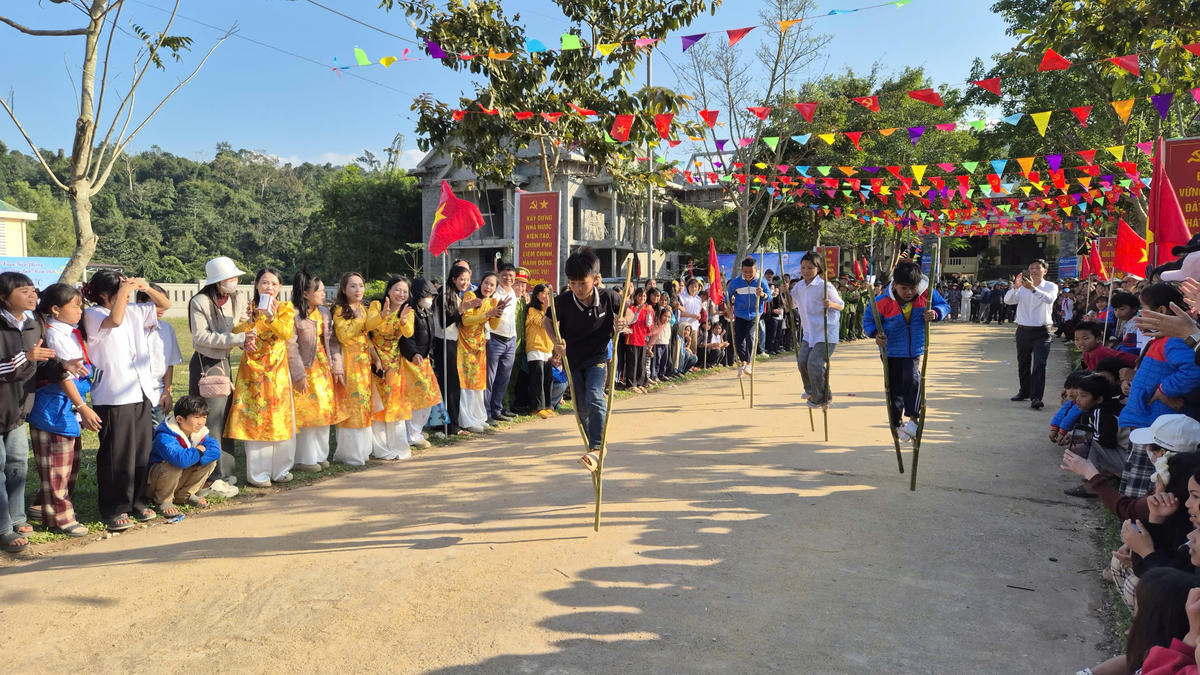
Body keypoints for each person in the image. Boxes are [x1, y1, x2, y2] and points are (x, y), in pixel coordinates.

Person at [83, 271, 171, 532]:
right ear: (103, 294)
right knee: (117, 454)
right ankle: (115, 508)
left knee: (141, 451)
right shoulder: (93, 314)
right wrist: (124, 292)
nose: (128, 295)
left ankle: (137, 501)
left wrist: (146, 288)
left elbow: (164, 305)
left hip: (141, 390)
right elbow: (115, 319)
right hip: (113, 394)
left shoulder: (134, 310)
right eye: (120, 291)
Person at [544, 247, 627, 471]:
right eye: (573, 283)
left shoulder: (609, 297)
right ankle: (594, 445)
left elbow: (627, 311)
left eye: (583, 283)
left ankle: (598, 447)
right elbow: (547, 321)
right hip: (572, 359)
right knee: (580, 406)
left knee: (594, 394)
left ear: (596, 279)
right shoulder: (562, 301)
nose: (578, 288)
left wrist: (623, 321)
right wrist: (555, 341)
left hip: (597, 357)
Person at [28, 283, 97, 538]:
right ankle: (62, 517)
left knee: (68, 467)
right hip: (52, 410)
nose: (80, 311)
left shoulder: (69, 331)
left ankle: (48, 512)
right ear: (56, 309)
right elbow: (64, 377)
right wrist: (82, 407)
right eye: (75, 306)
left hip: (65, 409)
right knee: (57, 469)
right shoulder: (54, 335)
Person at [226, 268, 296, 487]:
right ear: (256, 285)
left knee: (279, 417)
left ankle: (281, 470)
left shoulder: (285, 308)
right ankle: (258, 474)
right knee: (255, 419)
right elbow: (236, 331)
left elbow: (286, 333)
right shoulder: (249, 308)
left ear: (280, 287)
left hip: (277, 372)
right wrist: (250, 320)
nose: (269, 287)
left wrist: (272, 317)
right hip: (252, 372)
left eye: (274, 284)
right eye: (265, 283)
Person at [863, 262, 949, 441]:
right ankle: (896, 423)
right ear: (894, 285)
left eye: (912, 288)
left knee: (912, 380)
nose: (909, 292)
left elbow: (944, 305)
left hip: (913, 349)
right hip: (890, 350)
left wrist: (936, 312)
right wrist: (875, 334)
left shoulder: (927, 294)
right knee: (894, 387)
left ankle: (913, 420)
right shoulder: (881, 301)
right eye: (904, 288)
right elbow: (868, 321)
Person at [187, 256, 248, 488]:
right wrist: (238, 339)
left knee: (225, 419)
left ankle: (228, 472)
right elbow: (201, 336)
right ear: (217, 281)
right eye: (230, 278)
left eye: (235, 277)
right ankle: (213, 475)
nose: (234, 281)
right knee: (210, 421)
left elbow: (242, 323)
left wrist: (249, 333)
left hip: (224, 363)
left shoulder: (237, 297)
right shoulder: (200, 302)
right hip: (206, 365)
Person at [287, 269, 345, 472]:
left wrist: (337, 365)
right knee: (307, 415)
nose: (323, 294)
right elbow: (290, 346)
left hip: (324, 369)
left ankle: (320, 455)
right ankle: (305, 458)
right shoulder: (293, 314)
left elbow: (333, 342)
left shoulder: (324, 313)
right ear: (305, 293)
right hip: (306, 370)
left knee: (323, 412)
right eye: (319, 290)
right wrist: (298, 373)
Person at [333, 272, 384, 464]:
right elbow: (344, 335)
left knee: (364, 404)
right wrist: (361, 320)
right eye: (353, 286)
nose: (358, 289)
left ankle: (364, 450)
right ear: (344, 289)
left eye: (361, 285)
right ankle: (349, 453)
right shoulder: (340, 310)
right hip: (348, 361)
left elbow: (366, 337)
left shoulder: (363, 309)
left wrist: (375, 357)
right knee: (351, 404)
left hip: (363, 363)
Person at [146, 395, 221, 517]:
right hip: (155, 483)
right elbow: (180, 460)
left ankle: (184, 495)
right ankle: (163, 501)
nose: (201, 422)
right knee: (172, 466)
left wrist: (194, 458)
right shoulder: (165, 435)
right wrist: (198, 452)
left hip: (178, 477)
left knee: (210, 462)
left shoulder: (199, 432)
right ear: (180, 419)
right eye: (196, 417)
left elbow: (215, 451)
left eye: (204, 417)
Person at [369, 276, 415, 460]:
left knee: (394, 404)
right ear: (388, 290)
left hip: (394, 363)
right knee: (378, 404)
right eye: (397, 289)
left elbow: (408, 332)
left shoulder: (407, 311)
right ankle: (380, 448)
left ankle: (398, 446)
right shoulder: (376, 305)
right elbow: (368, 326)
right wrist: (382, 315)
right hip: (375, 359)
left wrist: (403, 321)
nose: (400, 294)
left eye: (404, 291)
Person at [790, 251, 844, 408]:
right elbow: (791, 305)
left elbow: (841, 305)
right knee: (802, 362)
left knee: (814, 363)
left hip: (826, 332)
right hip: (809, 333)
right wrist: (785, 293)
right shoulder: (799, 286)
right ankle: (812, 390)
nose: (806, 271)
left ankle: (820, 397)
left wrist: (830, 304)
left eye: (810, 268)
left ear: (818, 269)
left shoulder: (824, 286)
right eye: (803, 267)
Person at [1005, 260, 1059, 410]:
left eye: (1037, 268)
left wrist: (1033, 289)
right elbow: (1008, 300)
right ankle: (1024, 391)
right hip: (1023, 330)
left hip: (1041, 331)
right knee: (1023, 362)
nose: (1034, 271)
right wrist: (1015, 287)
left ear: (1044, 271)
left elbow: (1049, 299)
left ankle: (1036, 397)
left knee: (1039, 364)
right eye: (1031, 268)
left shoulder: (1051, 286)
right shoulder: (1022, 287)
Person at [398, 279, 440, 449]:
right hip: (411, 362)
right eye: (428, 295)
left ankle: (417, 430)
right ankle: (412, 435)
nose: (430, 299)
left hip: (425, 361)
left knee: (429, 398)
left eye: (432, 296)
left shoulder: (426, 311)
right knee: (416, 400)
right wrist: (413, 353)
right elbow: (406, 338)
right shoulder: (410, 312)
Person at [433, 265, 475, 436]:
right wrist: (461, 309)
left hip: (453, 343)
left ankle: (450, 424)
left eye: (467, 280)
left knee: (452, 386)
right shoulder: (444, 296)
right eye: (462, 279)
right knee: (450, 386)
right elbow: (444, 322)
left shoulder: (456, 295)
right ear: (453, 279)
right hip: (443, 343)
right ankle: (450, 427)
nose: (465, 283)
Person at [458, 272, 501, 432]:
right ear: (480, 283)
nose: (488, 287)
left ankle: (478, 417)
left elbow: (494, 326)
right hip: (465, 345)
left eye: (492, 285)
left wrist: (498, 313)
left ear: (495, 288)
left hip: (480, 346)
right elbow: (465, 320)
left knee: (478, 382)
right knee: (466, 382)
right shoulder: (470, 296)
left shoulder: (492, 301)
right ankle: (466, 419)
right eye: (486, 283)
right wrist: (487, 314)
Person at [140, 283, 183, 425]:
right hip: (135, 394)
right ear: (140, 304)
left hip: (158, 394)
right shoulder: (131, 329)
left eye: (163, 303)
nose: (161, 308)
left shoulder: (167, 329)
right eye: (155, 303)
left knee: (159, 433)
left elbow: (169, 362)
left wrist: (167, 391)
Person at [485, 264, 519, 425]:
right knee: (489, 379)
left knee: (503, 378)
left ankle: (497, 410)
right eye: (505, 275)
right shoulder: (494, 293)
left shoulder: (512, 292)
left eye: (511, 276)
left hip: (510, 340)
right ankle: (487, 413)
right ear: (499, 275)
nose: (508, 278)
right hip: (495, 339)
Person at [725, 258, 770, 375]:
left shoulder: (761, 282)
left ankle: (749, 363)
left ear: (756, 270)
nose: (748, 274)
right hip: (740, 314)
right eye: (745, 272)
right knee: (738, 339)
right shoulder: (736, 282)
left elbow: (769, 297)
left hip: (755, 314)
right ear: (742, 270)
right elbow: (727, 296)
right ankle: (743, 362)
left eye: (751, 272)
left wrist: (762, 294)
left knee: (750, 336)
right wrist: (728, 306)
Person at [523, 283, 556, 418]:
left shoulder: (551, 311)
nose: (546, 296)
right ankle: (537, 408)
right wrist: (546, 307)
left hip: (547, 347)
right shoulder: (532, 310)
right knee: (538, 378)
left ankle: (548, 405)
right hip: (535, 347)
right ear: (537, 295)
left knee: (548, 379)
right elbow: (541, 323)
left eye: (548, 293)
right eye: (544, 293)